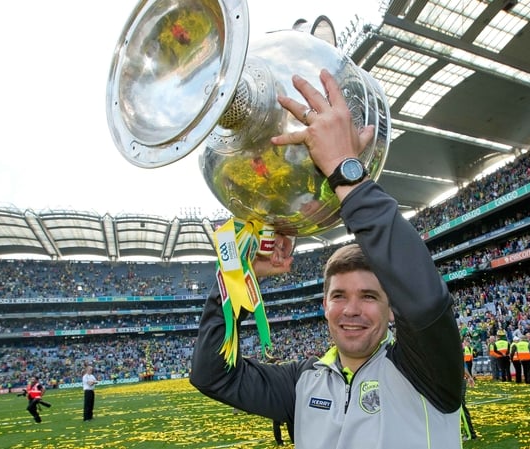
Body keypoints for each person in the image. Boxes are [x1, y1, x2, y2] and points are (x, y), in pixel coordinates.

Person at [190, 69, 464, 448]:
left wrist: (347, 174)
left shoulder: (428, 371)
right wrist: (238, 278)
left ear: (393, 310)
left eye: (369, 296)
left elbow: (425, 298)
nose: (351, 309)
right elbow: (212, 374)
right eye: (340, 296)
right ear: (324, 305)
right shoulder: (302, 382)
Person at [461, 367, 477, 441]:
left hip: (458, 381)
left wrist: (469, 377)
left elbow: (461, 365)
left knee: (461, 408)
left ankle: (471, 434)